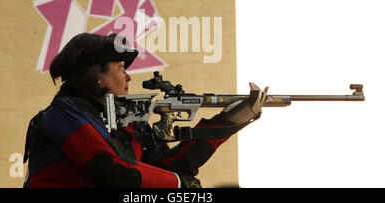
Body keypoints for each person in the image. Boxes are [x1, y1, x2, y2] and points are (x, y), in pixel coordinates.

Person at [23, 32, 268, 188]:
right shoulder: (62, 115)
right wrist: (177, 185)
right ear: (97, 75)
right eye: (120, 68)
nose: (128, 76)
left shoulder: (120, 119)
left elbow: (170, 166)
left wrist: (232, 119)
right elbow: (112, 171)